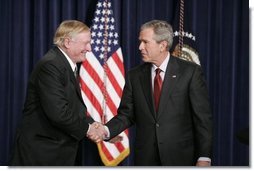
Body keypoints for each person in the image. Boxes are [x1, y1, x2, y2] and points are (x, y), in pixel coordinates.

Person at [88, 20, 213, 166]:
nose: (140, 47)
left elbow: (202, 119)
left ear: (163, 45)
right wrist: (106, 130)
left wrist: (204, 157)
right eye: (140, 41)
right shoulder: (134, 76)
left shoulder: (190, 72)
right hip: (146, 159)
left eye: (145, 42)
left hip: (181, 157)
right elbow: (126, 115)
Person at [9, 20, 106, 166]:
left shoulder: (64, 64)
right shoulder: (51, 65)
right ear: (67, 42)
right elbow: (59, 113)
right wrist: (89, 129)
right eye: (85, 43)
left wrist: (100, 129)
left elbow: (72, 107)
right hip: (42, 153)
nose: (89, 48)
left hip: (55, 152)